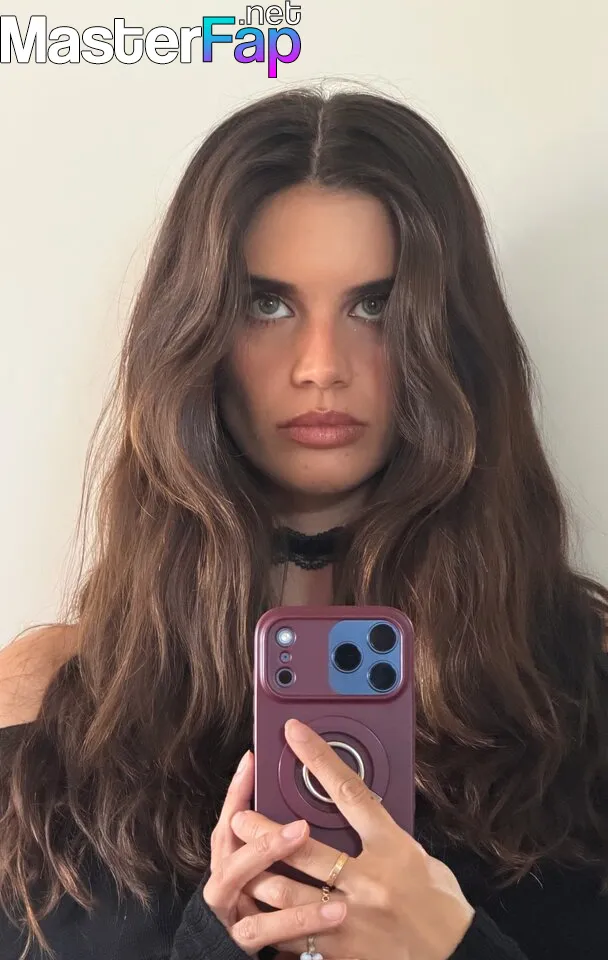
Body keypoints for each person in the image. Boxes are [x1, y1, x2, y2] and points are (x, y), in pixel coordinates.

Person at [0, 84, 607, 960]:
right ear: (197, 335)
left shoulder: (577, 696)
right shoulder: (50, 713)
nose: (321, 365)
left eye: (375, 306)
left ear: (449, 337)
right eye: (268, 305)